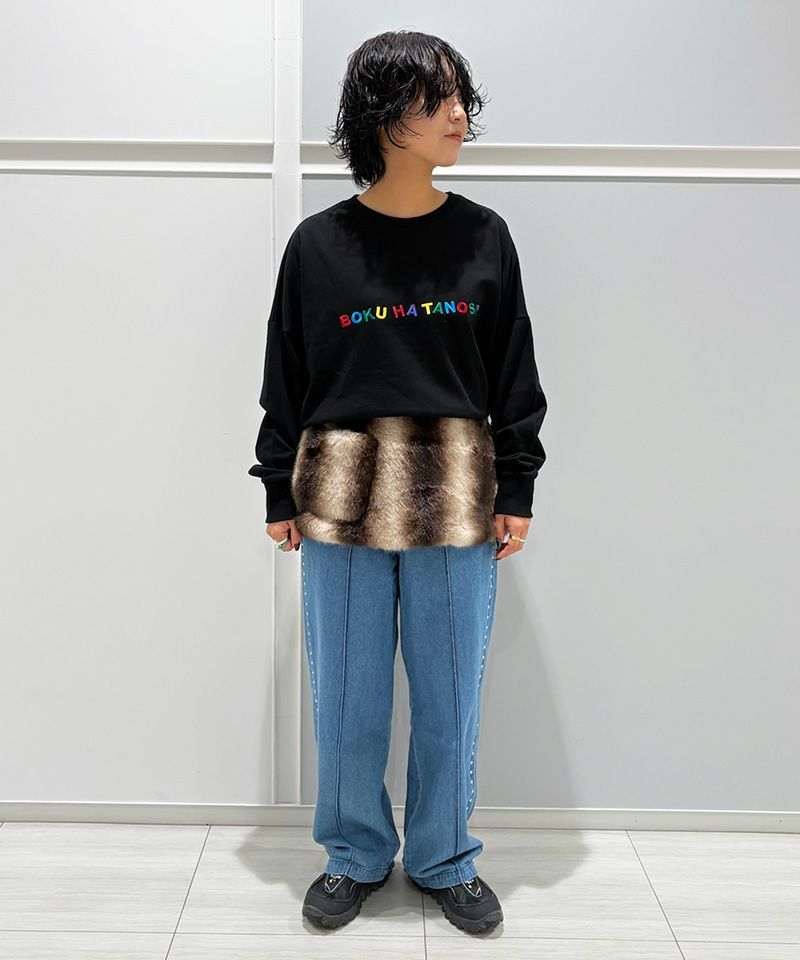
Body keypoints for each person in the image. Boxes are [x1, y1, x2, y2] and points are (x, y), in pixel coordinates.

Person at [248, 29, 547, 934]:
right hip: (339, 489)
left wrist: (518, 487)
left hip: (456, 488)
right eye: (437, 98)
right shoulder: (318, 245)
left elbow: (513, 372)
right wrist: (276, 485)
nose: (459, 115)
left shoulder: (485, 237)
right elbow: (285, 370)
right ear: (383, 114)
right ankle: (354, 853)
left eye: (461, 97)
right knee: (347, 695)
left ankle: (445, 857)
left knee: (451, 693)